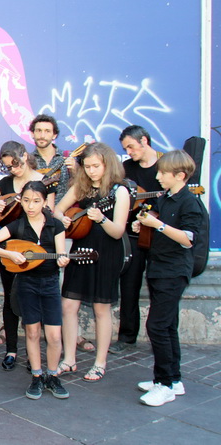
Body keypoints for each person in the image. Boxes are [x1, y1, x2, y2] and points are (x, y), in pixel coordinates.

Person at [0, 181, 70, 400]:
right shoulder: (17, 226)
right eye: (27, 200)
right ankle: (37, 377)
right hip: (27, 283)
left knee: (54, 336)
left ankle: (52, 375)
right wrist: (10, 255)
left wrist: (63, 260)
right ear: (21, 200)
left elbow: (60, 254)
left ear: (45, 201)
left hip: (49, 283)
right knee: (31, 332)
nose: (31, 206)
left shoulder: (55, 225)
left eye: (37, 201)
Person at [54, 142, 130, 382]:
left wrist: (101, 219)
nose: (91, 171)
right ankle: (69, 359)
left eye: (96, 166)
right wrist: (64, 220)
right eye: (87, 167)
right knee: (68, 305)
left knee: (101, 308)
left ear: (108, 165)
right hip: (80, 250)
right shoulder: (81, 187)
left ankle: (100, 362)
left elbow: (118, 231)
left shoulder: (120, 191)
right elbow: (57, 209)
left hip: (106, 252)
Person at [134, 150, 202, 406]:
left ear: (180, 175)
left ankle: (164, 386)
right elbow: (155, 223)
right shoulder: (165, 198)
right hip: (158, 268)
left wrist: (158, 226)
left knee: (157, 326)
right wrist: (142, 224)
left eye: (163, 173)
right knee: (168, 325)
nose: (158, 176)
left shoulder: (190, 202)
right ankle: (172, 379)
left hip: (174, 271)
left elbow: (188, 239)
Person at [0, 140, 49, 370]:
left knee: (32, 300)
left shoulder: (42, 180)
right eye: (7, 166)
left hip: (35, 246)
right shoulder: (6, 182)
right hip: (7, 247)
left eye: (15, 164)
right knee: (10, 297)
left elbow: (51, 214)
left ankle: (33, 354)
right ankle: (11, 350)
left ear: (25, 157)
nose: (12, 169)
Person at [111, 125, 162, 355]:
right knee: (129, 285)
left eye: (131, 146)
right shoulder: (127, 168)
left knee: (160, 286)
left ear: (144, 140)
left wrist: (152, 215)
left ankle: (161, 336)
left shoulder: (165, 165)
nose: (129, 152)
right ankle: (127, 336)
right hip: (132, 235)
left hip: (161, 236)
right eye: (125, 148)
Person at [28, 114, 70, 203]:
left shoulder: (68, 157)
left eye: (47, 131)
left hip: (65, 214)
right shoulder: (27, 161)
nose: (42, 135)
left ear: (54, 135)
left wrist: (75, 169)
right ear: (32, 133)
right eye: (39, 130)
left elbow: (80, 185)